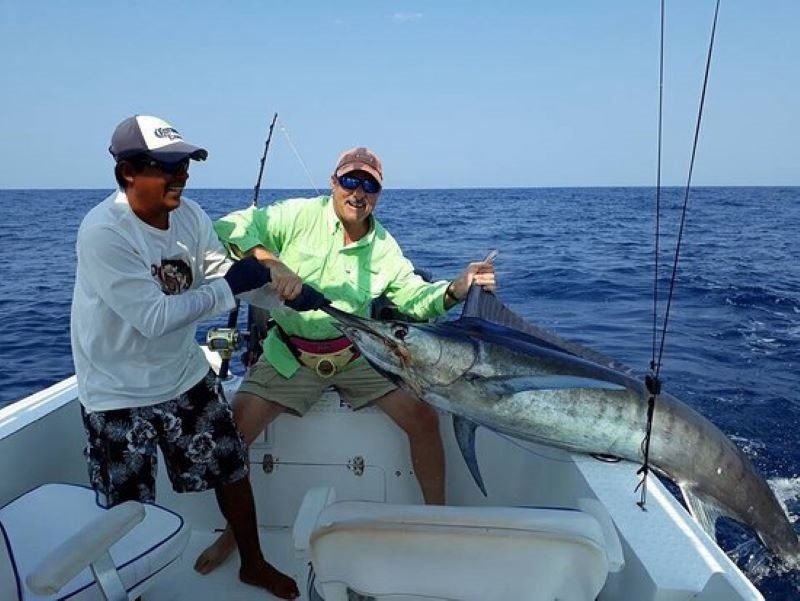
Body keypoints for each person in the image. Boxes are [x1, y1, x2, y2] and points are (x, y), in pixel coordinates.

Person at [195, 147, 496, 573]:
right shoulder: (298, 216)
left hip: (357, 353)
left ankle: (436, 520)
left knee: (424, 419)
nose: (358, 192)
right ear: (334, 183)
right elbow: (229, 226)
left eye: (369, 185)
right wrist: (271, 262)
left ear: (378, 194)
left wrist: (455, 289)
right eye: (350, 180)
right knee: (232, 436)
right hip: (290, 352)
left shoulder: (384, 246)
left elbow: (414, 299)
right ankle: (235, 532)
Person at [71, 115, 313, 599]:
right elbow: (155, 317)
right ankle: (128, 590)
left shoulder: (190, 216)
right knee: (127, 507)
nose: (181, 175)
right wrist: (233, 285)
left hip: (183, 373)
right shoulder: (104, 232)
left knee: (232, 469)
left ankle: (253, 563)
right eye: (166, 167)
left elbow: (222, 274)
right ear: (127, 173)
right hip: (116, 391)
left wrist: (284, 296)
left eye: (184, 165)